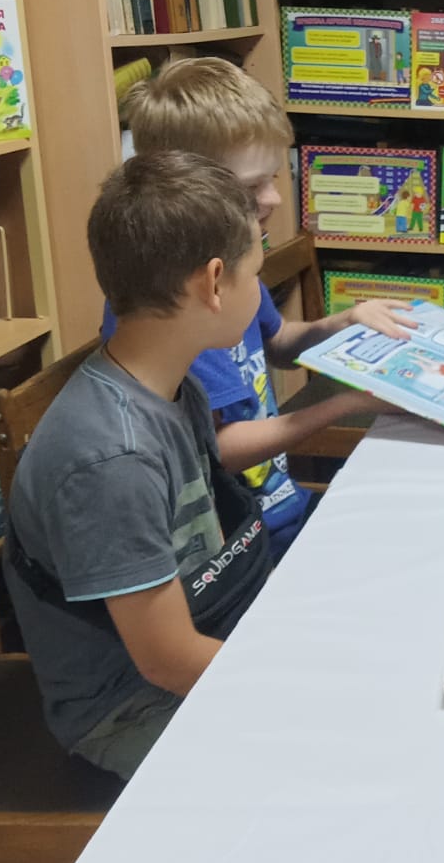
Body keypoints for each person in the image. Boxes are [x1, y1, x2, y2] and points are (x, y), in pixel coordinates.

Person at [4, 152, 274, 779]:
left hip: (204, 637)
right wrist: (297, 682)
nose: (260, 291)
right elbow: (169, 662)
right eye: (256, 272)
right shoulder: (113, 460)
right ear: (213, 283)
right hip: (129, 707)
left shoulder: (172, 384)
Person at [108, 58, 410, 560]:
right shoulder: (175, 307)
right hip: (241, 544)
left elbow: (279, 345)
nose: (273, 198)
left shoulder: (235, 269)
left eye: (273, 177)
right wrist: (344, 405)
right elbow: (218, 450)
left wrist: (342, 323)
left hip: (280, 508)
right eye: (251, 188)